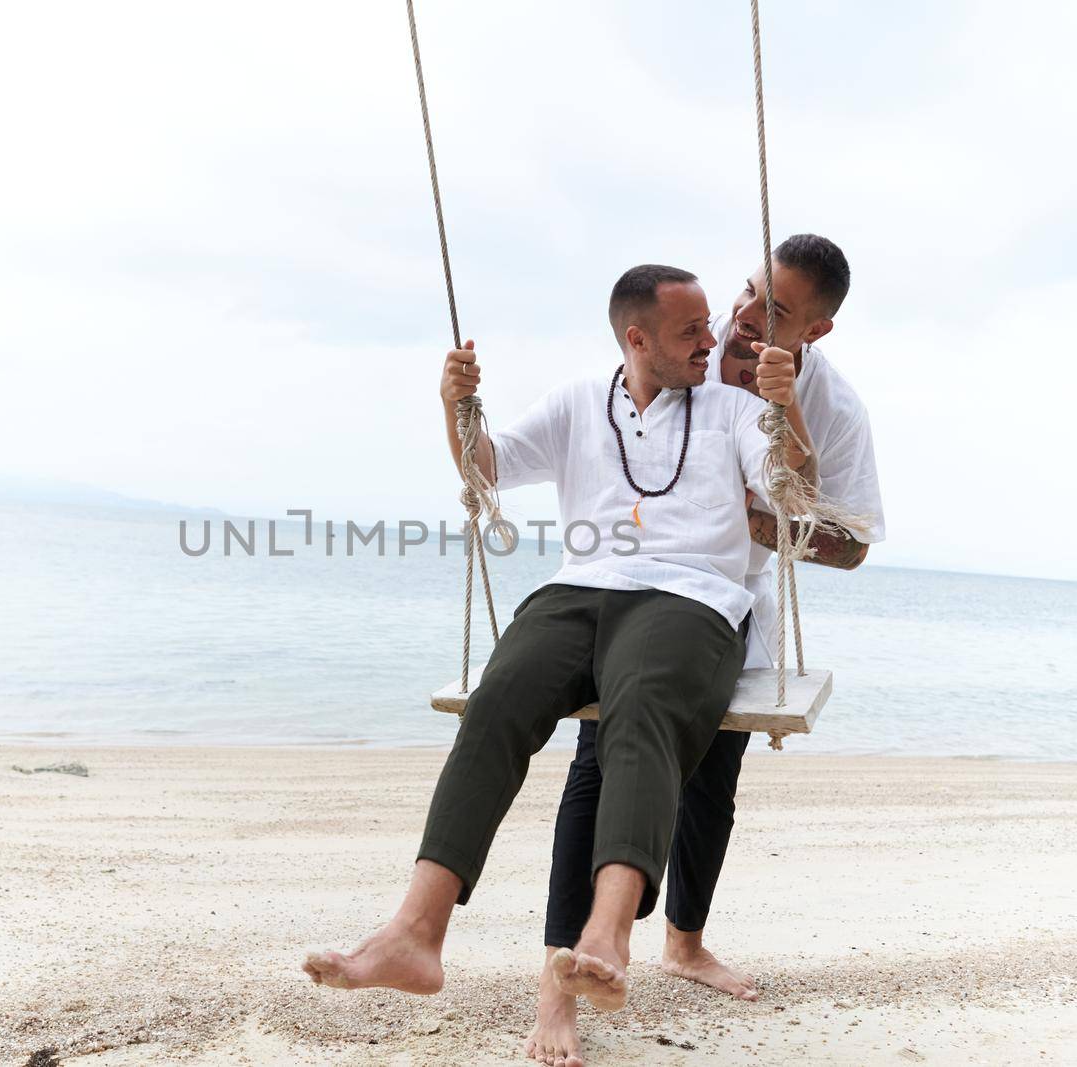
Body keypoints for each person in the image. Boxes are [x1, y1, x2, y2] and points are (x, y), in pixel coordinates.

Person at [302, 264, 815, 1014]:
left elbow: (794, 484)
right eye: (690, 330)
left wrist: (786, 406)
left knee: (641, 714)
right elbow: (486, 469)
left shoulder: (732, 411)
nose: (712, 340)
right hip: (581, 589)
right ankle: (415, 931)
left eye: (708, 324)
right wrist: (457, 408)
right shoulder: (579, 402)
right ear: (637, 339)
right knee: (499, 695)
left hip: (691, 597)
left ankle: (606, 936)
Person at [526, 235, 886, 1067]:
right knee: (599, 762)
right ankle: (560, 972)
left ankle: (683, 942)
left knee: (712, 782)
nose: (748, 318)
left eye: (780, 313)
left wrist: (742, 517)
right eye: (751, 292)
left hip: (735, 604)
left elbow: (854, 543)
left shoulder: (833, 407)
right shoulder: (686, 351)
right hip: (634, 592)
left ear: (817, 333)